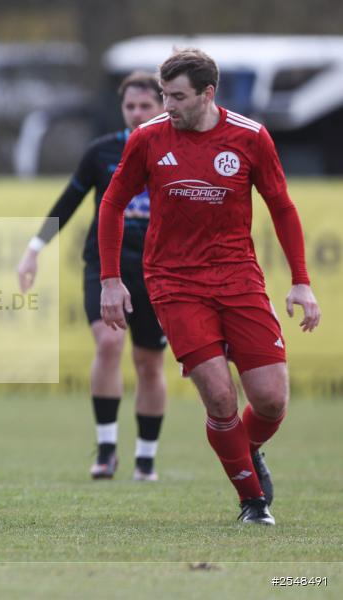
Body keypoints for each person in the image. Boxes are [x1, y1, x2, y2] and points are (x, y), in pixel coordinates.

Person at [98, 49, 320, 525]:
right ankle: (253, 502)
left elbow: (282, 207)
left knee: (271, 400)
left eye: (177, 96)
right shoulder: (148, 139)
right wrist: (111, 279)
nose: (167, 105)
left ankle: (245, 448)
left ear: (208, 94)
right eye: (164, 95)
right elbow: (112, 204)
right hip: (174, 282)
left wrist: (302, 281)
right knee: (220, 398)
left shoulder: (250, 137)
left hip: (239, 277)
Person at [17, 71, 168, 482]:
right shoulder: (103, 152)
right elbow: (67, 202)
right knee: (108, 341)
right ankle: (105, 450)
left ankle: (146, 458)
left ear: (163, 106)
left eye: (145, 106)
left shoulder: (177, 152)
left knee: (149, 363)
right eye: (130, 107)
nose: (137, 114)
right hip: (106, 267)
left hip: (158, 271)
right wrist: (34, 250)